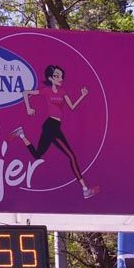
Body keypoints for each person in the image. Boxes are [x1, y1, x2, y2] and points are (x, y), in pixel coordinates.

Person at [11, 64, 99, 199]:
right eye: (57, 76)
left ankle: (21, 134)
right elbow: (25, 93)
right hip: (51, 126)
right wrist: (28, 108)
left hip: (54, 126)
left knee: (37, 155)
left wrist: (82, 95)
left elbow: (72, 106)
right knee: (71, 156)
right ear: (50, 78)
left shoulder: (63, 92)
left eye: (61, 76)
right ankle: (85, 189)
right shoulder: (46, 91)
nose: (60, 78)